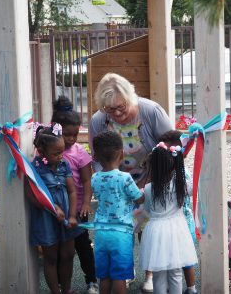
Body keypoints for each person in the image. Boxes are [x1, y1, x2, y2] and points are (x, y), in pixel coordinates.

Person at [89, 72, 172, 291]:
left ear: (130, 97)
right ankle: (123, 271)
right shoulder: (98, 120)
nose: (116, 113)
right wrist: (108, 181)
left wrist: (149, 184)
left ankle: (150, 273)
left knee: (149, 227)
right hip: (119, 183)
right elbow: (96, 159)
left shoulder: (151, 112)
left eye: (121, 107)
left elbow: (171, 149)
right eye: (110, 109)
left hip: (151, 177)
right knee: (122, 230)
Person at [25, 124, 80, 294]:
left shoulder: (64, 165)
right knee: (51, 257)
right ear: (41, 151)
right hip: (45, 219)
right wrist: (51, 207)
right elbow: (31, 196)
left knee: (68, 254)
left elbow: (72, 191)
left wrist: (72, 215)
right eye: (56, 153)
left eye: (62, 152)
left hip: (66, 215)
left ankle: (67, 290)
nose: (60, 156)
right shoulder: (34, 169)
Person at [52, 97, 98, 294]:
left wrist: (86, 203)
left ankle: (92, 281)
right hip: (56, 209)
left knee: (83, 246)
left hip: (79, 208)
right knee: (60, 249)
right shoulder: (49, 152)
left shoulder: (79, 152)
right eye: (67, 135)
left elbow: (88, 180)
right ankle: (62, 285)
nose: (71, 139)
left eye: (75, 134)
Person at [90, 131, 144, 294]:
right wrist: (143, 191)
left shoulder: (95, 178)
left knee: (104, 276)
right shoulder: (125, 178)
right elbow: (139, 199)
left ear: (96, 157)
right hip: (121, 234)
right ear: (121, 153)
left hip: (100, 233)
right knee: (119, 276)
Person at [139, 142, 198, 294]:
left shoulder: (147, 189)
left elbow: (146, 210)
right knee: (176, 272)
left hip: (155, 231)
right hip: (176, 231)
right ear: (173, 167)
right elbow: (197, 183)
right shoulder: (180, 186)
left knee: (158, 273)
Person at [157, 130, 198, 294]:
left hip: (181, 223)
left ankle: (189, 287)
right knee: (183, 259)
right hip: (181, 222)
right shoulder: (177, 174)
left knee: (181, 260)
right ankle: (189, 288)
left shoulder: (178, 175)